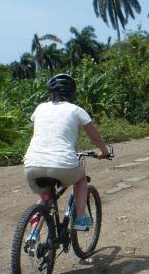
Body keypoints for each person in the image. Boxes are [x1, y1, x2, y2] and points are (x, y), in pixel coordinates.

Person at [24, 73, 110, 231]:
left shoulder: (40, 108)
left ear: (51, 92)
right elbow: (95, 138)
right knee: (81, 179)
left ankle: (32, 235)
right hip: (62, 163)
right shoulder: (77, 110)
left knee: (45, 197)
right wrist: (104, 152)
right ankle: (80, 219)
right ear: (72, 93)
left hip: (31, 165)